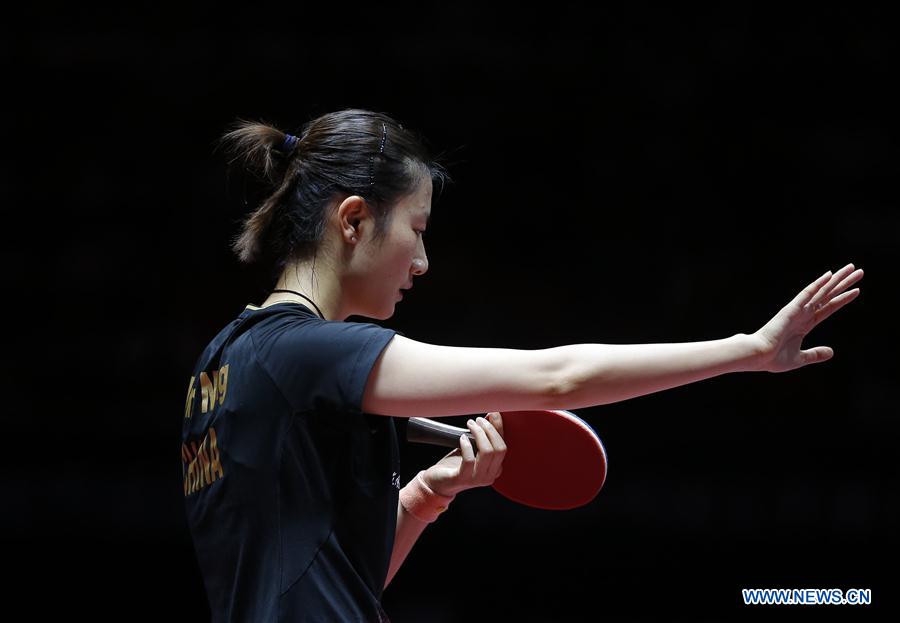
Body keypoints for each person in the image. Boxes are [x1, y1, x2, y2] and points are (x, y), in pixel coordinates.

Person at [181, 108, 863, 622]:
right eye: (416, 230)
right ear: (354, 219)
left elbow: (324, 583)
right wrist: (749, 350)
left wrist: (427, 494)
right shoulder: (307, 353)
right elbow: (554, 379)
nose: (421, 262)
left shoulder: (222, 365)